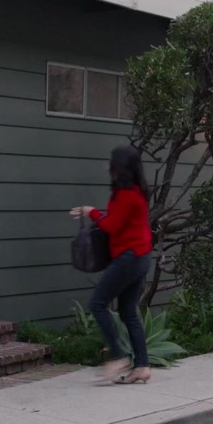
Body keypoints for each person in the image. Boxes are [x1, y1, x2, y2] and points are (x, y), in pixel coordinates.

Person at [69, 146, 154, 385]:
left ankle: (117, 356)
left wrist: (92, 212)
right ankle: (142, 366)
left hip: (130, 257)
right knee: (128, 312)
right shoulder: (135, 191)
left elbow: (112, 226)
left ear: (120, 167)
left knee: (97, 304)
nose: (107, 166)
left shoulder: (127, 194)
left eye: (111, 162)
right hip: (140, 256)